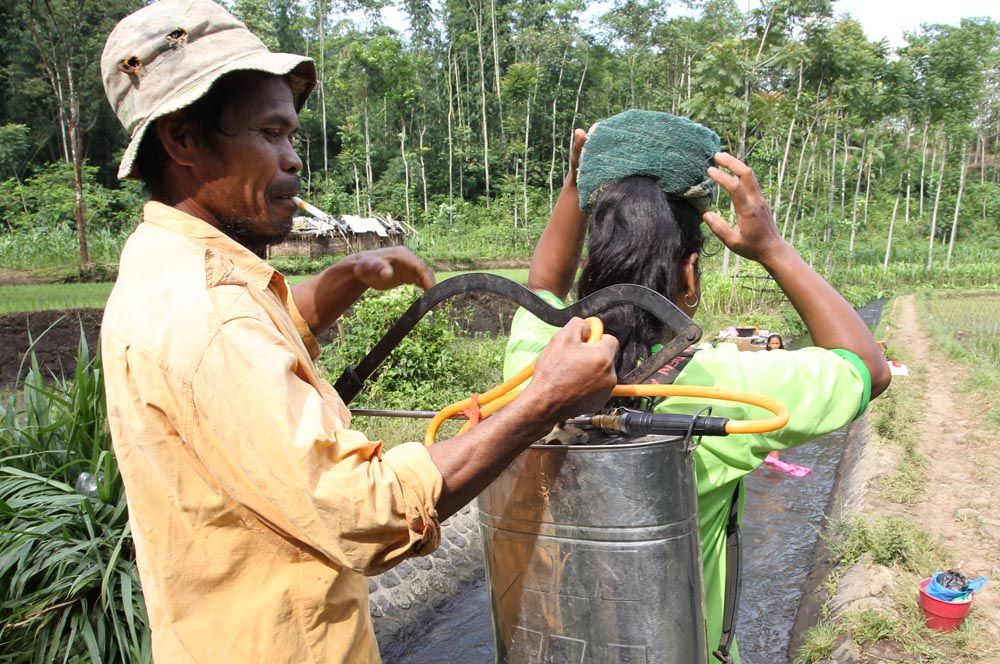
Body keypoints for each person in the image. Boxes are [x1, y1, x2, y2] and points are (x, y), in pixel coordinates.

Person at [98, 2, 618, 661]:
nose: (292, 159)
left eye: (291, 136)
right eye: (269, 132)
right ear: (184, 141)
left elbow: (256, 355)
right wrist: (544, 401)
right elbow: (366, 515)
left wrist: (341, 282)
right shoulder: (208, 315)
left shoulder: (167, 269)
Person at [503, 111, 891, 663]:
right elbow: (865, 366)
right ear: (688, 274)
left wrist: (577, 185)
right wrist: (773, 249)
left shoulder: (537, 365)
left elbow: (544, 286)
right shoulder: (729, 385)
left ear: (595, 263)